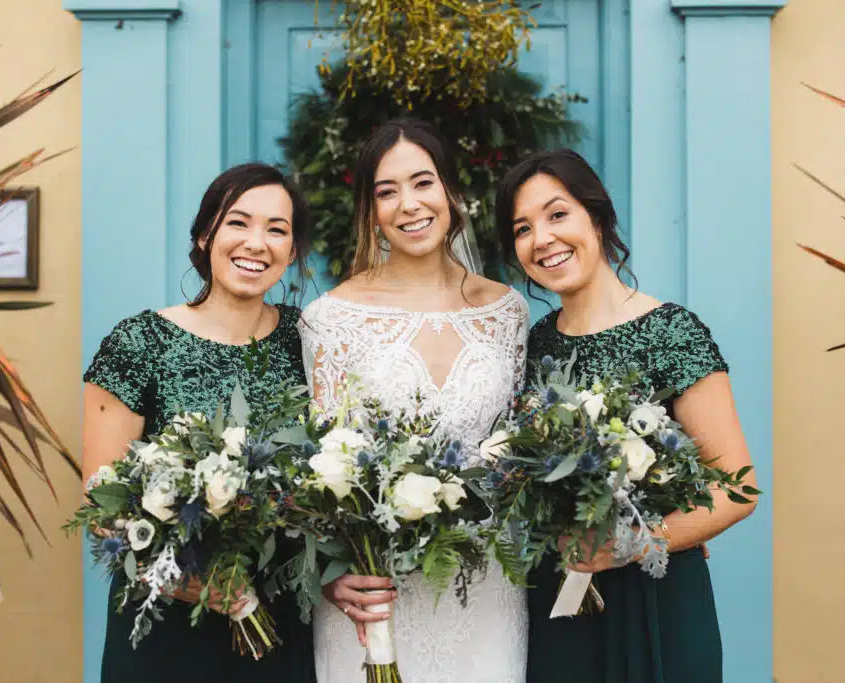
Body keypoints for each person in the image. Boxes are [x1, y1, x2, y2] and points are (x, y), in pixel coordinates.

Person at [495, 149, 758, 683]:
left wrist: (632, 543)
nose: (541, 238)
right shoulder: (535, 344)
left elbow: (738, 489)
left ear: (597, 215)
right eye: (522, 228)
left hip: (654, 598)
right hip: (561, 598)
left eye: (557, 214)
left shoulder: (670, 331)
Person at [300, 118, 530, 683]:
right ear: (370, 211)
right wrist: (330, 575)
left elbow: (525, 451)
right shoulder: (330, 319)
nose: (409, 204)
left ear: (451, 192)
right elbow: (319, 470)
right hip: (375, 596)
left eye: (422, 182)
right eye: (386, 191)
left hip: (489, 581)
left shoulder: (508, 311)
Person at [82, 163, 316, 682]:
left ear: (293, 250)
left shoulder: (309, 342)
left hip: (281, 619)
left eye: (277, 229)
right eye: (238, 222)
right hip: (165, 626)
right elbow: (102, 506)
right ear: (205, 233)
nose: (257, 243)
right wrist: (208, 587)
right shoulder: (139, 344)